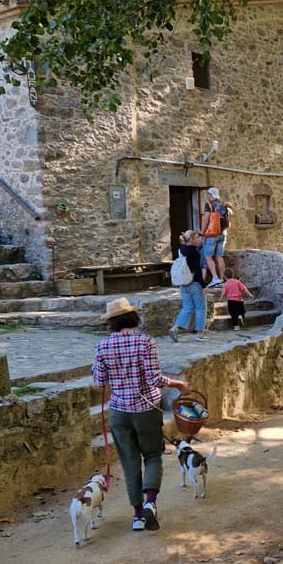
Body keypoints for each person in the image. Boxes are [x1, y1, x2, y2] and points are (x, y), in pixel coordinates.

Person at [92, 297, 188, 532]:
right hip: (146, 409)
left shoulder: (102, 346)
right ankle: (150, 503)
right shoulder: (146, 342)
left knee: (129, 462)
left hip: (119, 412)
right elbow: (155, 379)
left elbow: (99, 381)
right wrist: (178, 384)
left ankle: (137, 516)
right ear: (134, 318)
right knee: (153, 456)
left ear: (111, 323)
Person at [169, 229, 207, 343]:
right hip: (194, 283)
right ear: (191, 239)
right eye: (196, 237)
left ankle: (175, 328)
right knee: (201, 308)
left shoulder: (181, 250)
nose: (198, 239)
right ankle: (200, 334)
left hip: (183, 283)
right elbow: (197, 269)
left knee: (187, 307)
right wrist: (203, 285)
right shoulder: (194, 252)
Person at [200, 187, 230, 286]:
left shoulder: (209, 204)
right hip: (222, 234)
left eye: (208, 194)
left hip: (212, 234)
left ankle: (215, 278)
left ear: (210, 195)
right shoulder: (223, 205)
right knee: (219, 257)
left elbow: (206, 219)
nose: (207, 196)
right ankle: (222, 278)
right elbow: (227, 221)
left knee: (208, 257)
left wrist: (202, 233)